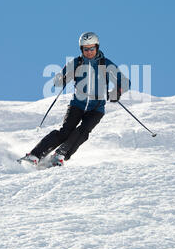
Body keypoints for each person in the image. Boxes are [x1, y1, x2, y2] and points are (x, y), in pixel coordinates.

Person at [23, 32, 130, 167]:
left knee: (83, 132)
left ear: (97, 47)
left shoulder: (106, 64)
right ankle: (35, 155)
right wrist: (66, 77)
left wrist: (117, 91)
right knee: (65, 132)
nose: (89, 52)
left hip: (96, 108)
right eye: (86, 49)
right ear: (81, 49)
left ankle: (60, 155)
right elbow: (57, 81)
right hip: (77, 104)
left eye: (92, 48)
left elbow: (125, 82)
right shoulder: (76, 63)